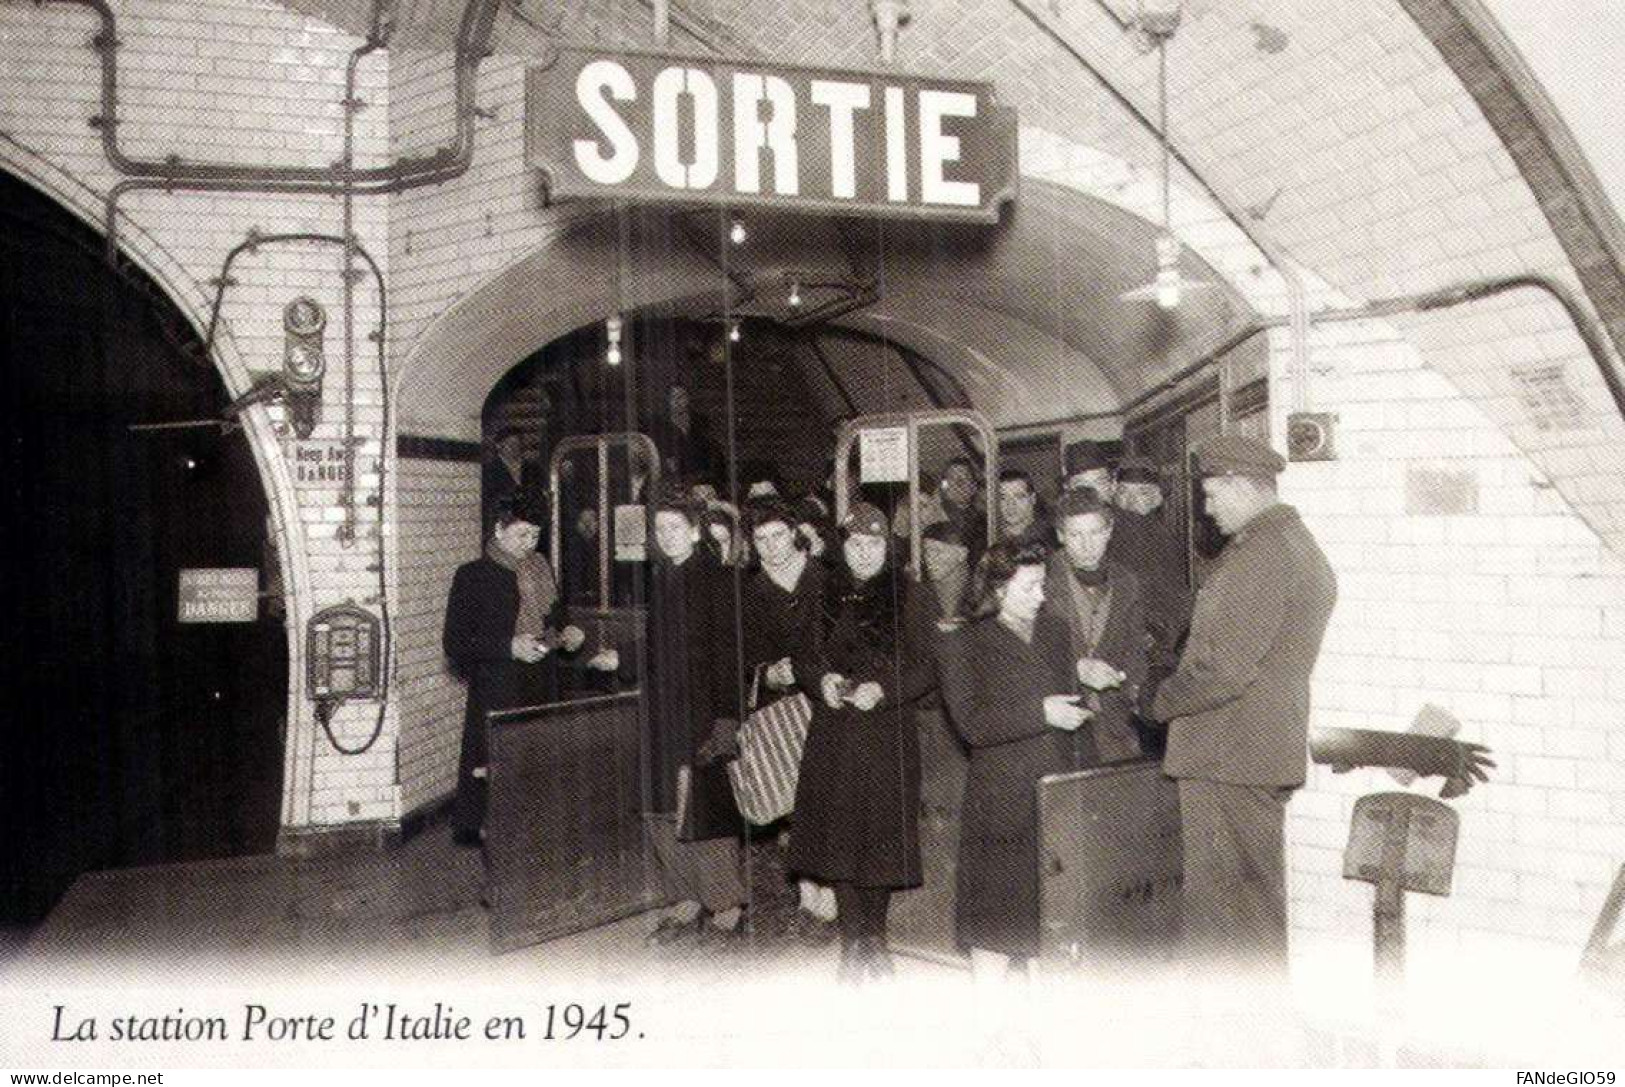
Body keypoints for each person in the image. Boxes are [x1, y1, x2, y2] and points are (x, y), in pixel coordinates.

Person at [1149, 434, 1337, 975]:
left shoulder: (1259, 557)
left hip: (1225, 753)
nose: (1207, 508)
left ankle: (1229, 1048)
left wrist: (1155, 699)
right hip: (1255, 751)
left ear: (1239, 485)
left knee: (1221, 919)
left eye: (1212, 494)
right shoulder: (1298, 546)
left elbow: (1224, 670)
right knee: (1251, 912)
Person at [788, 503, 936, 981]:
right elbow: (804, 656)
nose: (865, 553)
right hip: (834, 733)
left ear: (887, 547)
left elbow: (927, 667)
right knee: (838, 838)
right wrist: (821, 680)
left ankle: (876, 936)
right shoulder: (820, 592)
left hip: (886, 734)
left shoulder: (910, 595)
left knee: (881, 839)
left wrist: (884, 689)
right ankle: (852, 940)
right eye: (856, 544)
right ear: (842, 546)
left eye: (874, 544)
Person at [937, 541, 1089, 980]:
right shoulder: (964, 642)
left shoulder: (1056, 632)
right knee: (995, 920)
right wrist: (1041, 713)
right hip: (1000, 798)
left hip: (1052, 793)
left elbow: (1071, 705)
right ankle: (991, 1027)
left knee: (1050, 915)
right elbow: (971, 724)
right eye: (1030, 587)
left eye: (1043, 585)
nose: (1041, 597)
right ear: (999, 589)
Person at [441, 500, 589, 847]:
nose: (529, 543)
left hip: (541, 685)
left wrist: (569, 634)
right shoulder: (472, 575)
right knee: (497, 777)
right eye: (522, 534)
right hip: (497, 690)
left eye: (536, 535)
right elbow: (456, 642)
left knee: (538, 774)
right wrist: (509, 647)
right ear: (498, 529)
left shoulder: (540, 569)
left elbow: (556, 619)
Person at [642, 484, 749, 945]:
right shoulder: (661, 577)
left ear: (695, 529)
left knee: (705, 808)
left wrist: (728, 718)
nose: (666, 536)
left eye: (674, 527)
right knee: (663, 807)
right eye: (660, 528)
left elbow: (731, 655)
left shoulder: (718, 578)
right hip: (662, 711)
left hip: (703, 713)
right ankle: (685, 898)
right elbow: (655, 649)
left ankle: (725, 905)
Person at [740, 497, 835, 940]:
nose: (771, 546)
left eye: (778, 535)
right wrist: (765, 669)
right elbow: (748, 652)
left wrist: (806, 666)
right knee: (793, 796)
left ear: (795, 532)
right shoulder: (753, 590)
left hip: (824, 697)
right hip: (783, 707)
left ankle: (833, 883)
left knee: (828, 792)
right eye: (761, 539)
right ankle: (809, 883)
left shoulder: (823, 577)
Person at [1063, 441, 1191, 749]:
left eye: (1100, 483)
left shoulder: (1145, 533)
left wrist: (1141, 660)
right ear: (1068, 489)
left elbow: (1173, 609)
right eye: (1083, 486)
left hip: (1132, 680)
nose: (1092, 494)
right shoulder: (1062, 544)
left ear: (1112, 486)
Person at [1041, 488, 1149, 764]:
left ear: (1109, 531)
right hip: (1052, 729)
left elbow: (1135, 652)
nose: (1087, 546)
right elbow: (1020, 653)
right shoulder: (1038, 580)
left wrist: (1128, 689)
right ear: (1060, 535)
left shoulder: (1127, 582)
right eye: (1076, 535)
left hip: (1113, 727)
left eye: (1095, 533)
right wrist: (1075, 667)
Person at [480, 426, 542, 541]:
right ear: (499, 446)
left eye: (518, 442)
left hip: (530, 528)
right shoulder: (488, 472)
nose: (515, 447)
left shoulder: (532, 469)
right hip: (501, 530)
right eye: (510, 443)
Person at [995, 469, 1050, 548]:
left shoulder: (1046, 541)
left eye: (1019, 497)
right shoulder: (989, 536)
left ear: (1033, 499)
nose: (1010, 505)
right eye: (1003, 497)